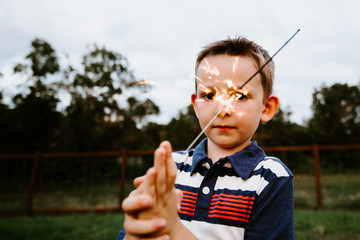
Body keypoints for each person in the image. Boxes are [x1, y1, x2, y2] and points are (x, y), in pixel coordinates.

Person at [116, 37, 295, 240]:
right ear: (196, 105)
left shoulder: (270, 177)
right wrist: (137, 229)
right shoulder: (172, 167)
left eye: (240, 96)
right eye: (209, 96)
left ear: (267, 107)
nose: (222, 110)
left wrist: (174, 229)